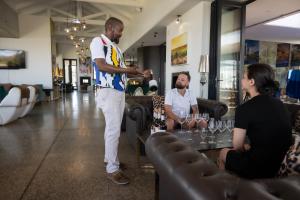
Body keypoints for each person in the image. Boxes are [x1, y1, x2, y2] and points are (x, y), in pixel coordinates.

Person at [90, 17, 143, 185]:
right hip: (108, 91)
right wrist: (127, 69)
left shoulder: (116, 48)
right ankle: (112, 169)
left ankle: (110, 159)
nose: (121, 33)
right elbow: (101, 65)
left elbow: (122, 71)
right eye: (120, 30)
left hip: (118, 91)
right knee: (114, 129)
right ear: (111, 28)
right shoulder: (98, 42)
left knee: (112, 128)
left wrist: (141, 74)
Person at [218, 63, 293, 179]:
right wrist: (249, 146)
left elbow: (237, 146)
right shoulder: (280, 104)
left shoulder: (244, 108)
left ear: (251, 82)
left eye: (244, 77)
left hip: (258, 168)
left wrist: (244, 145)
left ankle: (225, 189)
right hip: (280, 163)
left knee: (223, 152)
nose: (242, 80)